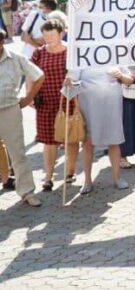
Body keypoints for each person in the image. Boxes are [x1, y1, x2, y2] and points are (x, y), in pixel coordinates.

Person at [30, 18, 78, 191]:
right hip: (45, 103)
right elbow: (31, 75)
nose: (48, 39)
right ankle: (48, 176)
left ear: (61, 33)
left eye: (52, 35)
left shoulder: (71, 52)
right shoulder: (39, 53)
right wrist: (30, 97)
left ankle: (70, 173)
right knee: (49, 141)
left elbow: (80, 75)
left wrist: (73, 80)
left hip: (68, 102)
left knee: (70, 138)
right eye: (45, 35)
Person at [0, 31, 44, 206]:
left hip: (10, 109)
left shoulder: (16, 58)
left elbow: (38, 76)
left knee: (17, 152)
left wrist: (28, 98)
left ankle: (26, 191)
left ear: (2, 42)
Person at [68, 65, 127, 194]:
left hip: (112, 104)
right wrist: (68, 82)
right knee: (88, 142)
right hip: (89, 106)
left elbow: (129, 80)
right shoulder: (82, 55)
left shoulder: (115, 52)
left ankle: (117, 178)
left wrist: (121, 76)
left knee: (114, 141)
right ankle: (87, 181)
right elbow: (71, 81)